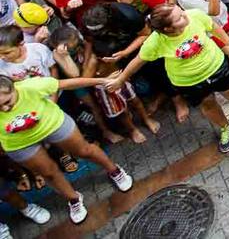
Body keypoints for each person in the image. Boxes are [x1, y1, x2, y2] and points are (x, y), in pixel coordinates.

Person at [106, 3, 229, 154]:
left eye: (180, 11)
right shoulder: (155, 42)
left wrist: (228, 44)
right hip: (189, 82)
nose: (185, 15)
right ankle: (225, 127)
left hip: (217, 68)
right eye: (179, 17)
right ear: (168, 29)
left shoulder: (195, 16)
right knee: (208, 104)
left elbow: (213, 27)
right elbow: (138, 61)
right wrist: (120, 80)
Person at [0, 74, 133, 225]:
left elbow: (66, 84)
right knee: (48, 173)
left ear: (14, 88)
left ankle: (115, 171)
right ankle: (74, 199)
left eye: (7, 102)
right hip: (17, 142)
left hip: (51, 124)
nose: (4, 109)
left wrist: (102, 81)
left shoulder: (30, 86)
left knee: (85, 151)